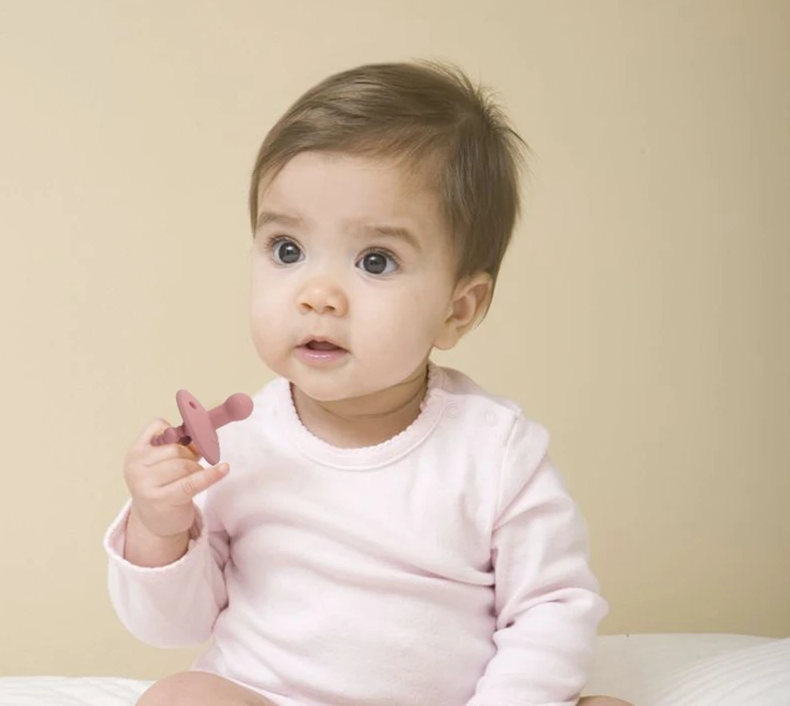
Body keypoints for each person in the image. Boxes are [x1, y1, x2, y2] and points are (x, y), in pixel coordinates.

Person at [104, 61, 633, 706]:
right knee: (178, 697)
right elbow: (174, 626)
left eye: (375, 261)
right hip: (269, 698)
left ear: (457, 309)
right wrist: (160, 527)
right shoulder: (237, 446)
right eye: (287, 250)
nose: (318, 295)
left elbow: (551, 610)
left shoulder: (495, 451)